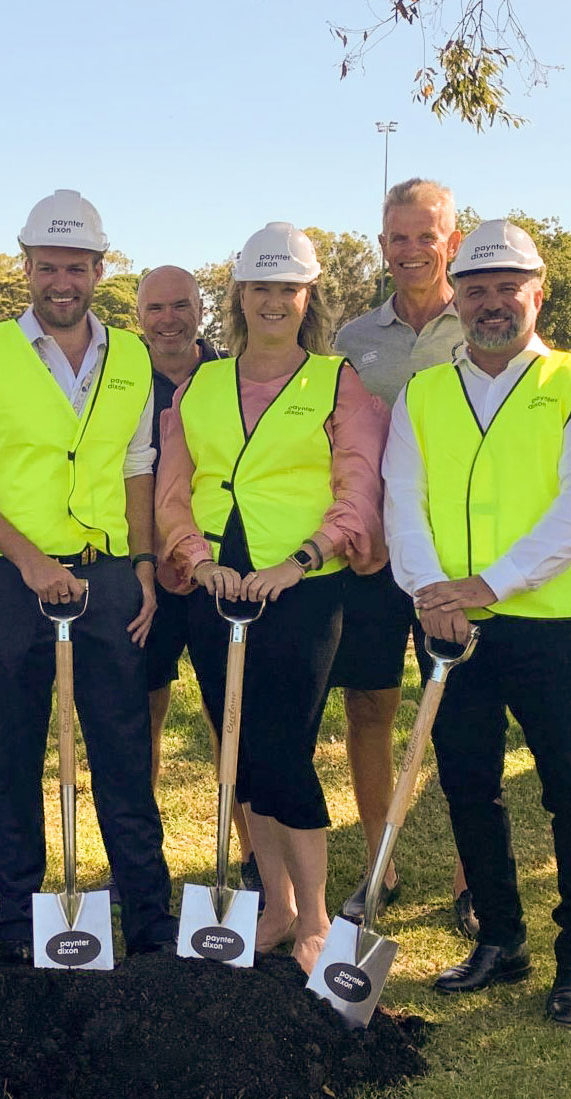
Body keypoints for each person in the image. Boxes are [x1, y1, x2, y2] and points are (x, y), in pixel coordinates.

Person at [382, 219, 571, 1025]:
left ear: (537, 291)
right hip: (446, 622)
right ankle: (500, 936)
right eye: (476, 288)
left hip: (547, 624)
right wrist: (430, 593)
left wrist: (487, 585)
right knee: (467, 785)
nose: (491, 303)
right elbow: (403, 501)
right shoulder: (424, 391)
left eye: (506, 288)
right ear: (455, 296)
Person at [0, 189, 177, 961]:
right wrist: (30, 560)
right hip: (14, 581)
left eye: (76, 266)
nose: (60, 280)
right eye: (47, 266)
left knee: (122, 749)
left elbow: (139, 465)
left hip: (107, 579)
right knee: (18, 750)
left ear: (101, 269)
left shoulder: (131, 355)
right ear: (26, 266)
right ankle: (17, 929)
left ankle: (149, 926)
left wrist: (142, 564)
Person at [158, 223, 387, 974]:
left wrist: (302, 560)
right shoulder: (202, 384)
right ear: (239, 296)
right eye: (261, 287)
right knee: (241, 751)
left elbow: (358, 489)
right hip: (216, 593)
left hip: (301, 594)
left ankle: (317, 915)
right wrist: (196, 560)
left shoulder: (336, 381)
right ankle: (278, 905)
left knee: (284, 748)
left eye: (287, 288)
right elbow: (174, 489)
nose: (274, 301)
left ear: (307, 295)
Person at [332, 178, 474, 935]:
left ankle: (469, 877)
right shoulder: (353, 341)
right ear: (382, 245)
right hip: (370, 557)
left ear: (451, 240)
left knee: (457, 712)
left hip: (453, 555)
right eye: (398, 238)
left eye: (427, 236)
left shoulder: (483, 327)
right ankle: (377, 863)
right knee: (370, 706)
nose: (412, 250)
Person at [136, 264, 258, 896]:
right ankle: (143, 861)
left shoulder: (230, 379)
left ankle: (248, 858)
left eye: (181, 306)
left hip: (217, 574)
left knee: (227, 715)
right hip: (147, 577)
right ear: (138, 317)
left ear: (202, 311)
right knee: (143, 715)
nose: (170, 320)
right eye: (156, 308)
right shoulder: (121, 382)